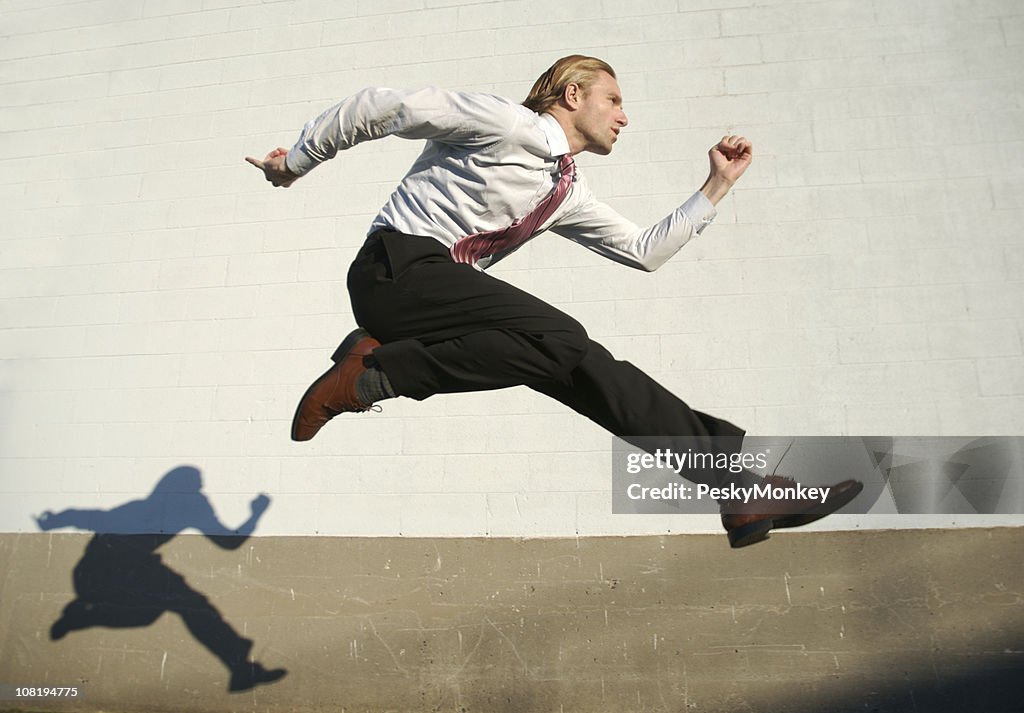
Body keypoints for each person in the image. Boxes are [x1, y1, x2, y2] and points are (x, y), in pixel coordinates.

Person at [246, 55, 862, 547]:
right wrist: (297, 161)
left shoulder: (565, 190)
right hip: (395, 271)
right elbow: (384, 107)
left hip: (440, 304)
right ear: (572, 96)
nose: (624, 117)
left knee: (586, 366)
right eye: (614, 100)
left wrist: (716, 187)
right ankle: (371, 378)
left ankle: (736, 487)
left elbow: (643, 250)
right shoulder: (504, 124)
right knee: (562, 336)